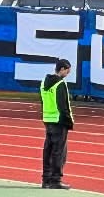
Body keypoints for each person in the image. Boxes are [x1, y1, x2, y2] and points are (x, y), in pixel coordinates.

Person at [40, 58, 74, 190]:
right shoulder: (60, 84)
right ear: (62, 69)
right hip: (59, 122)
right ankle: (56, 180)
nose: (67, 74)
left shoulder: (44, 82)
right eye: (67, 71)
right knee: (59, 152)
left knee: (48, 151)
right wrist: (69, 121)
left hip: (48, 119)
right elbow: (63, 105)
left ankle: (46, 180)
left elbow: (42, 101)